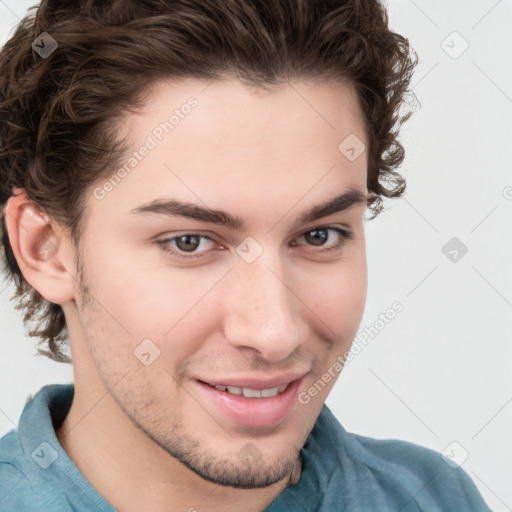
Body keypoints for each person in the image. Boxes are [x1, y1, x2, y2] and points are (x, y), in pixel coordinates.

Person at [0, 0, 493, 510]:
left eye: (320, 235)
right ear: (46, 250)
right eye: (189, 242)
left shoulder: (432, 497)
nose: (274, 333)